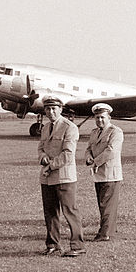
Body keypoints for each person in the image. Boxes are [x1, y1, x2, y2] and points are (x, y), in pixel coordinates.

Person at [37, 96, 85, 257]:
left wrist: (49, 166)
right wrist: (42, 158)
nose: (50, 112)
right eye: (47, 109)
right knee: (50, 212)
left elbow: (68, 154)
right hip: (47, 177)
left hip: (64, 177)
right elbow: (41, 147)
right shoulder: (45, 128)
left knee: (70, 211)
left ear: (60, 109)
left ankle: (77, 246)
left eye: (54, 108)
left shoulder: (70, 127)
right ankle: (52, 244)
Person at [84, 103, 124, 241]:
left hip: (111, 175)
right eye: (97, 118)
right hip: (98, 174)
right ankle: (109, 228)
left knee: (107, 205)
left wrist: (96, 162)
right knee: (103, 204)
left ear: (109, 117)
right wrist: (88, 157)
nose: (99, 120)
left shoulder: (115, 132)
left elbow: (112, 150)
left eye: (102, 117)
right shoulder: (94, 132)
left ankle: (105, 234)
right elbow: (88, 148)